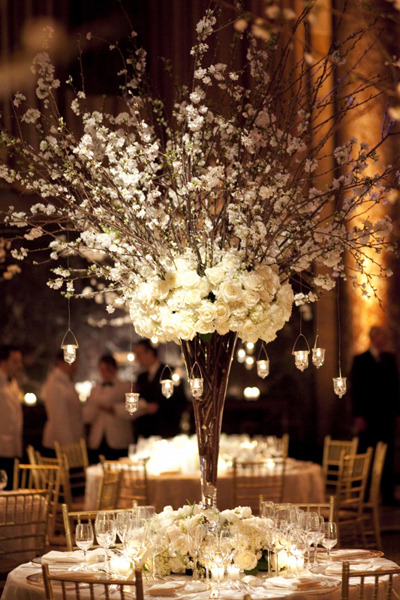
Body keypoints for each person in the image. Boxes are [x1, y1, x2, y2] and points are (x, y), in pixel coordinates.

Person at [351, 325, 400, 505]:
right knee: (367, 453)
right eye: (381, 336)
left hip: (386, 416)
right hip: (368, 417)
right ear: (373, 338)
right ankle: (363, 494)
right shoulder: (360, 360)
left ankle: (388, 494)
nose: (384, 340)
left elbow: (395, 389)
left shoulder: (389, 359)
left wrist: (397, 413)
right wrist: (358, 415)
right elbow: (356, 389)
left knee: (387, 454)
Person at [84, 354, 148, 461]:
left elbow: (132, 409)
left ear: (114, 369)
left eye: (107, 369)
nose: (104, 373)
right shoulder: (95, 389)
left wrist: (113, 409)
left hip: (119, 437)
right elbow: (88, 413)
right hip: (98, 438)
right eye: (102, 370)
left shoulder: (125, 387)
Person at [133, 339, 188, 440]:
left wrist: (159, 407)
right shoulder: (142, 377)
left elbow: (180, 401)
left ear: (149, 353)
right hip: (145, 433)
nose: (136, 359)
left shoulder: (170, 372)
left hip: (167, 431)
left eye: (139, 354)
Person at [42, 351, 84, 456]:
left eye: (76, 362)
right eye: (71, 362)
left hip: (69, 442)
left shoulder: (67, 382)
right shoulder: (55, 384)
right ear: (60, 362)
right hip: (59, 445)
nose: (75, 365)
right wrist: (69, 448)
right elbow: (59, 419)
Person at [0, 345, 23, 489]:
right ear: (3, 362)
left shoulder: (13, 382)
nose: (19, 366)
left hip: (13, 447)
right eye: (15, 362)